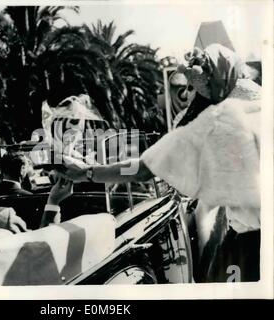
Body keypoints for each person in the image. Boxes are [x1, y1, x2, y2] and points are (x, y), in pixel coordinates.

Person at [58, 44, 261, 282]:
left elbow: (145, 169)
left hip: (251, 245)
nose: (188, 97)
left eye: (194, 89)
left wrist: (86, 172)